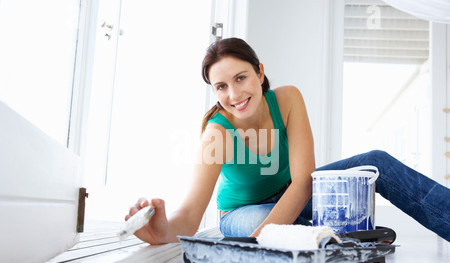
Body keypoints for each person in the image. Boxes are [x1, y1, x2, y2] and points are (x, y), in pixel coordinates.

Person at [125, 37, 450, 243]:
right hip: (242, 212)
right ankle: (332, 238)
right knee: (278, 222)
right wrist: (162, 231)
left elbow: (303, 182)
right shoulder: (217, 134)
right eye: (221, 87)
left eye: (240, 78)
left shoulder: (288, 99)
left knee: (376, 163)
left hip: (295, 192)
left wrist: (267, 237)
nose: (234, 94)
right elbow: (189, 217)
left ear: (260, 73)